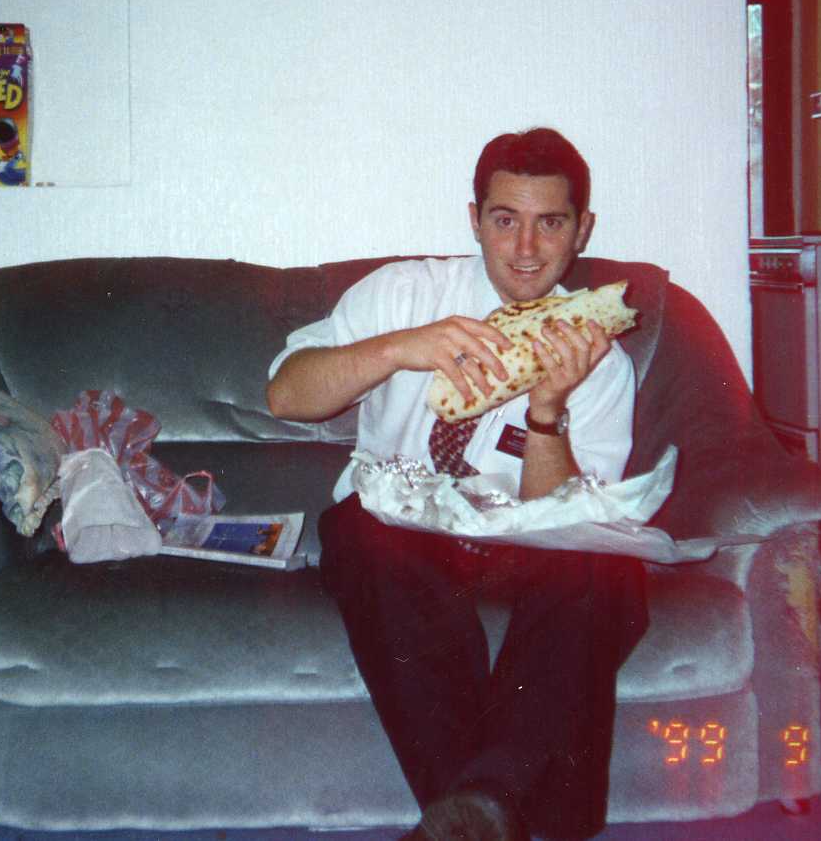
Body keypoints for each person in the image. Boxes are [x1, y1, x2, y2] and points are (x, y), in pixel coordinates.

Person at [266, 127, 649, 841]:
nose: (526, 248)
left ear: (582, 230)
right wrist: (399, 348)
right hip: (398, 535)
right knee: (357, 529)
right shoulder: (404, 292)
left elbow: (560, 521)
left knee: (607, 566)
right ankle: (497, 805)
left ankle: (476, 812)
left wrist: (547, 411)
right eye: (504, 220)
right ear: (474, 219)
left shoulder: (598, 358)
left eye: (550, 223)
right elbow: (286, 395)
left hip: (519, 542)